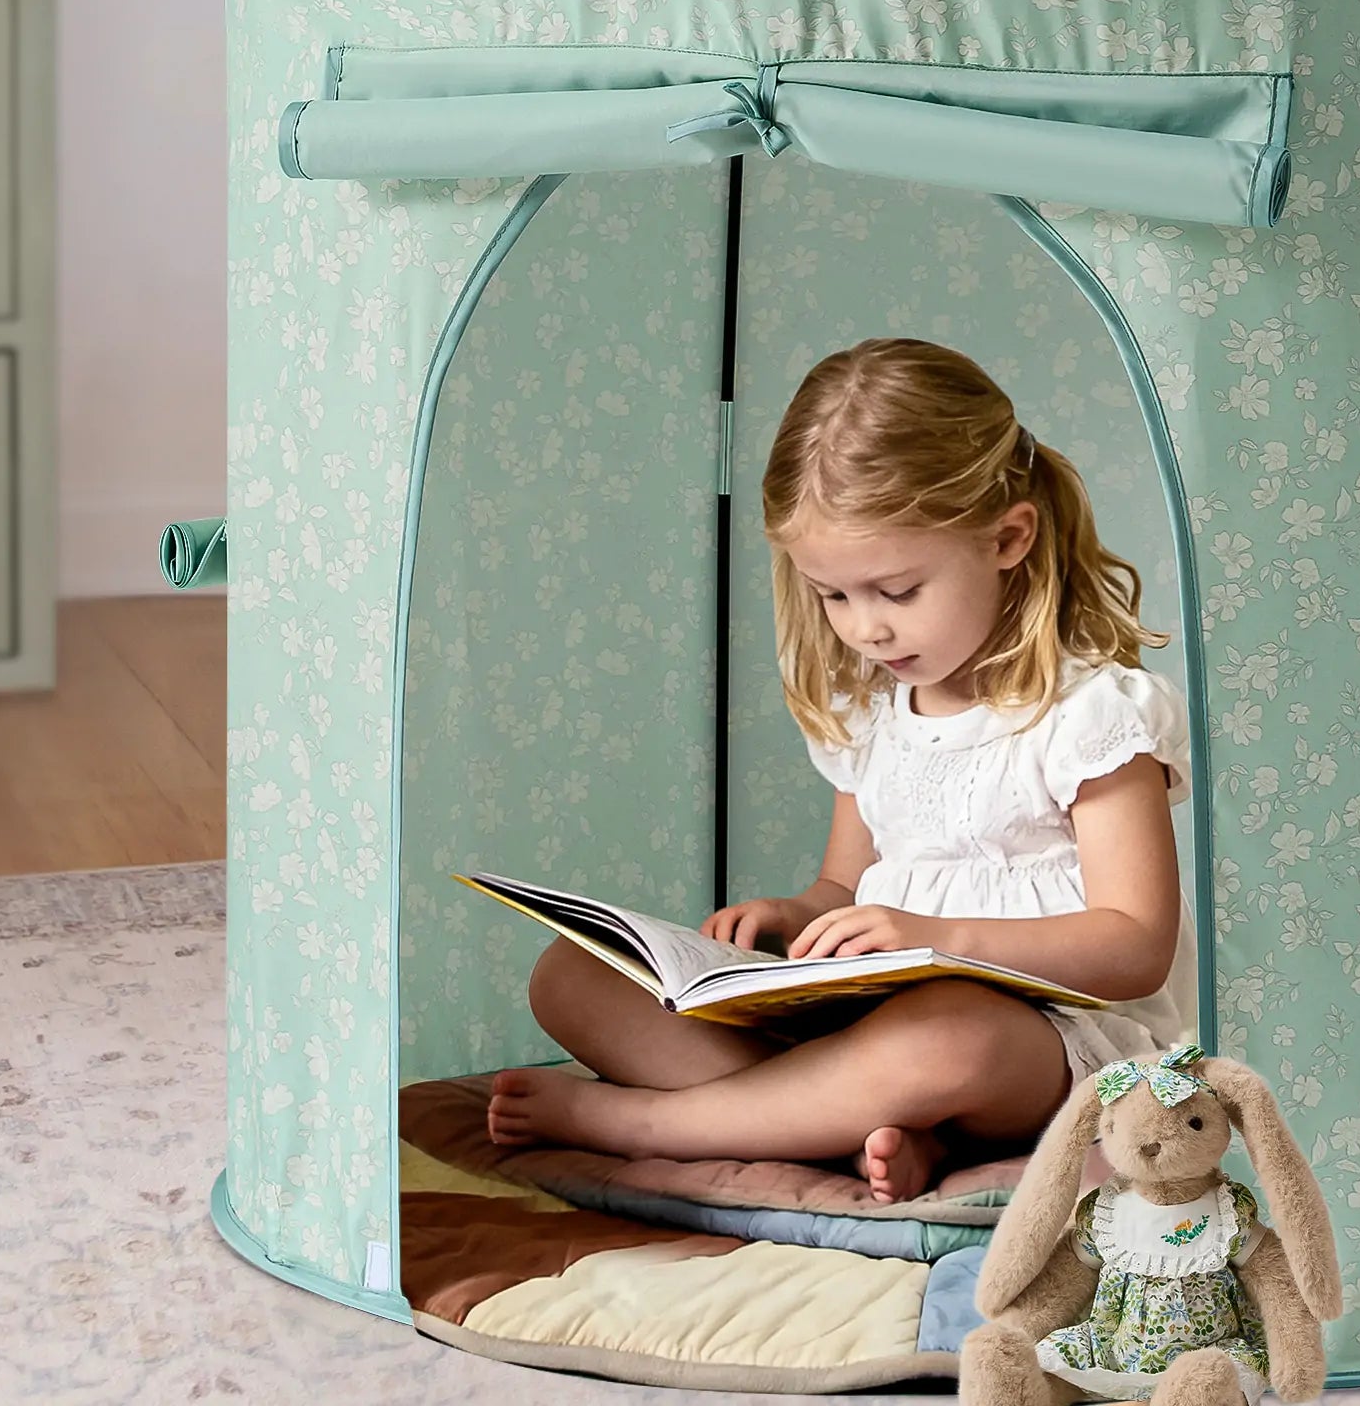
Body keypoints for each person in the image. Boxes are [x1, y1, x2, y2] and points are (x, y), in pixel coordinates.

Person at [488, 337, 1197, 1203]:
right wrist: (790, 919)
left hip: (1048, 1045)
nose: (866, 628)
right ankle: (842, 1121)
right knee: (572, 974)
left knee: (948, 1037)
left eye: (897, 591)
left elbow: (1137, 947)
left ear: (1008, 538)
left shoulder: (1093, 715)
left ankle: (639, 1125)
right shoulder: (871, 713)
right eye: (833, 594)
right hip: (873, 1037)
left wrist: (943, 942)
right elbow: (842, 886)